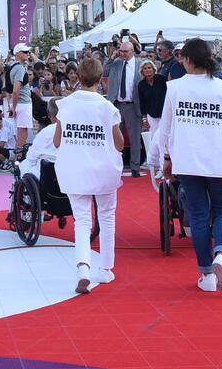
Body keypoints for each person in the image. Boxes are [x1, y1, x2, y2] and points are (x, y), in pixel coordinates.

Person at [159, 38, 222, 294]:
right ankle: (221, 254)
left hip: (187, 158)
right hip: (220, 157)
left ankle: (206, 273)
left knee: (198, 215)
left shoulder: (174, 87)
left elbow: (166, 128)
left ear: (187, 59)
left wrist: (166, 157)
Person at [53, 56, 123, 294]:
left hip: (74, 168)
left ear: (78, 77)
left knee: (82, 221)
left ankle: (83, 267)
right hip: (103, 168)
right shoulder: (108, 108)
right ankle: (105, 269)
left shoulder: (65, 105)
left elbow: (57, 140)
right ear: (101, 78)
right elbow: (120, 144)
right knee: (106, 217)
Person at [104, 40, 144, 177]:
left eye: (125, 51)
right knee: (114, 137)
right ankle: (115, 165)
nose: (123, 54)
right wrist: (111, 57)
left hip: (133, 105)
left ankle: (135, 167)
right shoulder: (116, 63)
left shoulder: (140, 64)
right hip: (117, 105)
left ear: (133, 51)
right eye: (121, 51)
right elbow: (104, 72)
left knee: (135, 138)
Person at [8, 43, 35, 152]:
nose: (27, 54)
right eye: (25, 52)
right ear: (17, 54)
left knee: (21, 133)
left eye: (28, 52)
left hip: (19, 103)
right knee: (23, 133)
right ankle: (17, 160)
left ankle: (17, 159)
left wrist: (13, 106)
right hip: (22, 103)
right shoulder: (19, 68)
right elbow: (15, 90)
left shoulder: (13, 67)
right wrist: (14, 107)